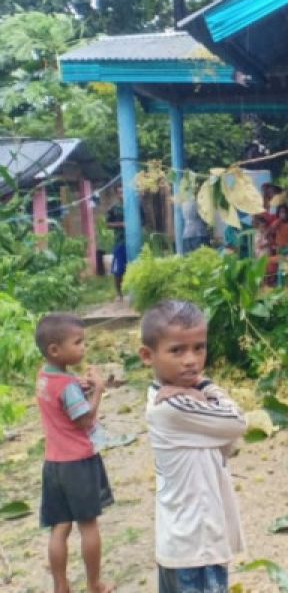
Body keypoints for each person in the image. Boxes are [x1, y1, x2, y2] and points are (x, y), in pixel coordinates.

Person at [139, 300, 247, 593]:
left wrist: (195, 389)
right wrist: (204, 385)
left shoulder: (164, 395)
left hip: (182, 540)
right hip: (197, 543)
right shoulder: (173, 405)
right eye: (177, 350)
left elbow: (227, 441)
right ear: (147, 356)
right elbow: (237, 421)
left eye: (199, 348)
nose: (191, 360)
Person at [35, 314, 114, 593]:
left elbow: (61, 400)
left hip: (53, 463)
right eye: (78, 342)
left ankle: (61, 586)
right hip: (78, 463)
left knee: (59, 527)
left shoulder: (45, 377)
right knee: (88, 525)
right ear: (55, 350)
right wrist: (98, 392)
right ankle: (95, 584)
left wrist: (78, 388)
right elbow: (85, 421)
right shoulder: (67, 386)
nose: (83, 348)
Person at [105, 189, 126, 301]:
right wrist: (120, 224)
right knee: (118, 269)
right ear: (117, 194)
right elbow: (107, 224)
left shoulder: (135, 206)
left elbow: (143, 221)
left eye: (124, 191)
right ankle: (119, 294)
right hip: (120, 241)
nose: (123, 194)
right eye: (120, 192)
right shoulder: (114, 208)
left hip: (133, 240)